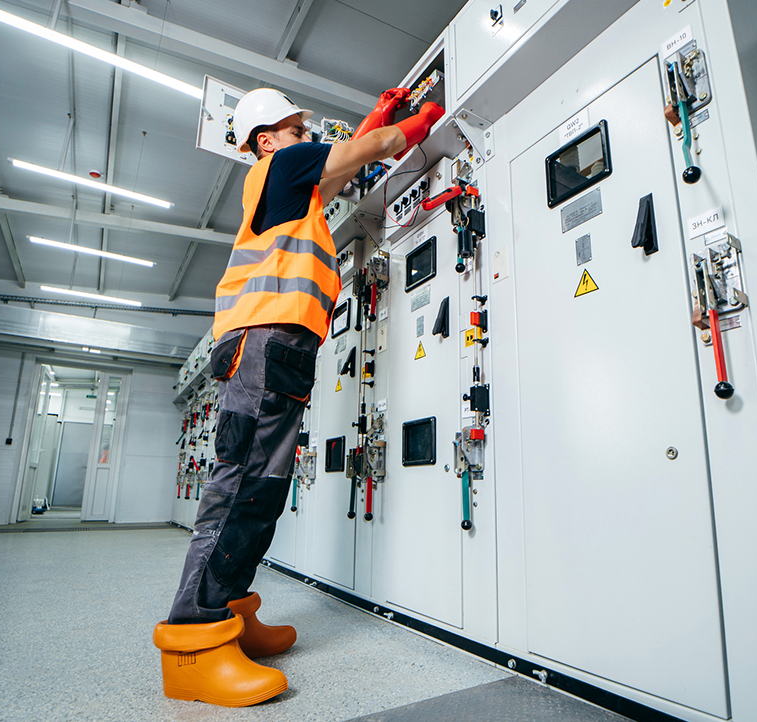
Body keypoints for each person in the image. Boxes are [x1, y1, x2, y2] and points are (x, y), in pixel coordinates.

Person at [151, 87, 445, 708]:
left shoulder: (292, 189)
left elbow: (339, 168)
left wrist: (376, 119)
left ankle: (229, 610)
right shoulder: (279, 167)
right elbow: (366, 152)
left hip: (278, 345)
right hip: (264, 342)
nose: (305, 139)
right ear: (267, 139)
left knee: (262, 490)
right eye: (294, 129)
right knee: (241, 487)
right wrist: (417, 124)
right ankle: (193, 642)